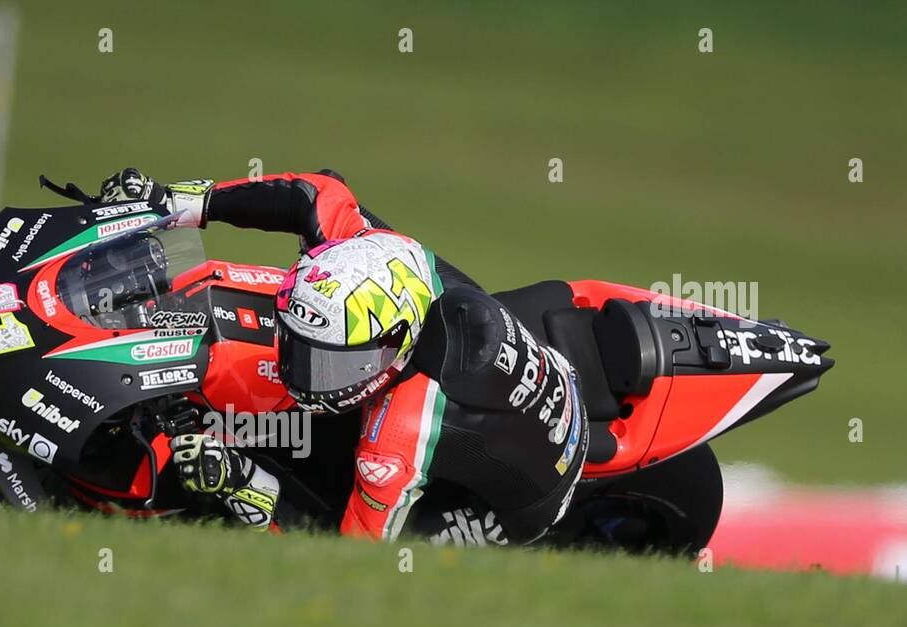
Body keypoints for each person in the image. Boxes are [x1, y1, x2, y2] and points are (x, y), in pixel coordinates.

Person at [100, 168, 587, 546]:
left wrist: (239, 480)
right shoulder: (384, 254)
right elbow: (316, 190)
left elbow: (346, 556)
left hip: (524, 503)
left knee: (394, 549)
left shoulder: (401, 434)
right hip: (526, 377)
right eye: (301, 350)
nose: (302, 376)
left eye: (329, 364)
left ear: (391, 345)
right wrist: (175, 203)